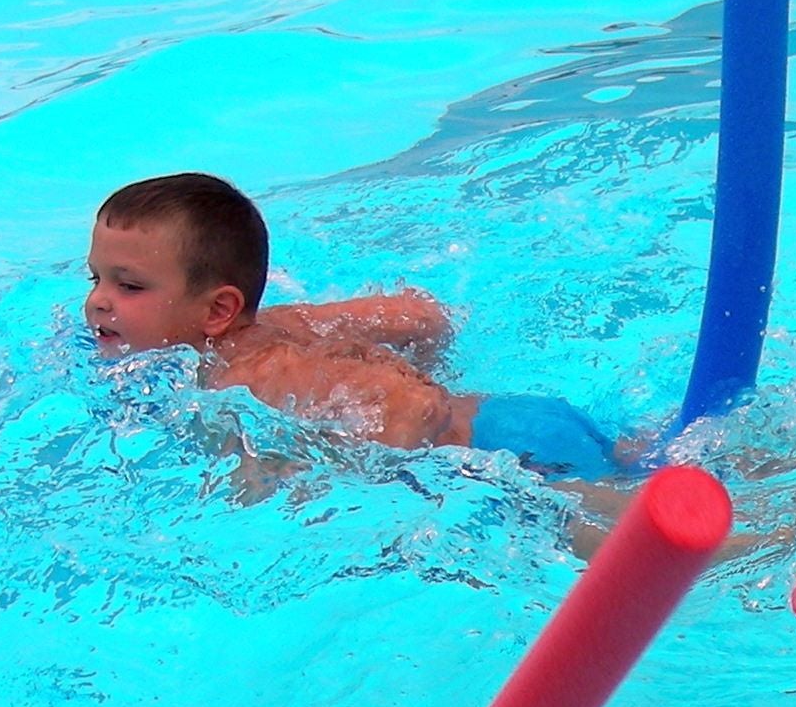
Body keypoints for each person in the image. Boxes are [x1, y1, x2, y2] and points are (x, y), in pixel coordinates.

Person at [85, 172, 625, 479]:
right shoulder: (283, 324)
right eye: (96, 279)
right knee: (652, 466)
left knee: (645, 542)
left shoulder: (244, 376)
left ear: (218, 311)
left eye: (128, 286)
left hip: (504, 453)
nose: (98, 303)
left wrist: (350, 474)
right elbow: (421, 317)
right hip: (513, 411)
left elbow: (417, 410)